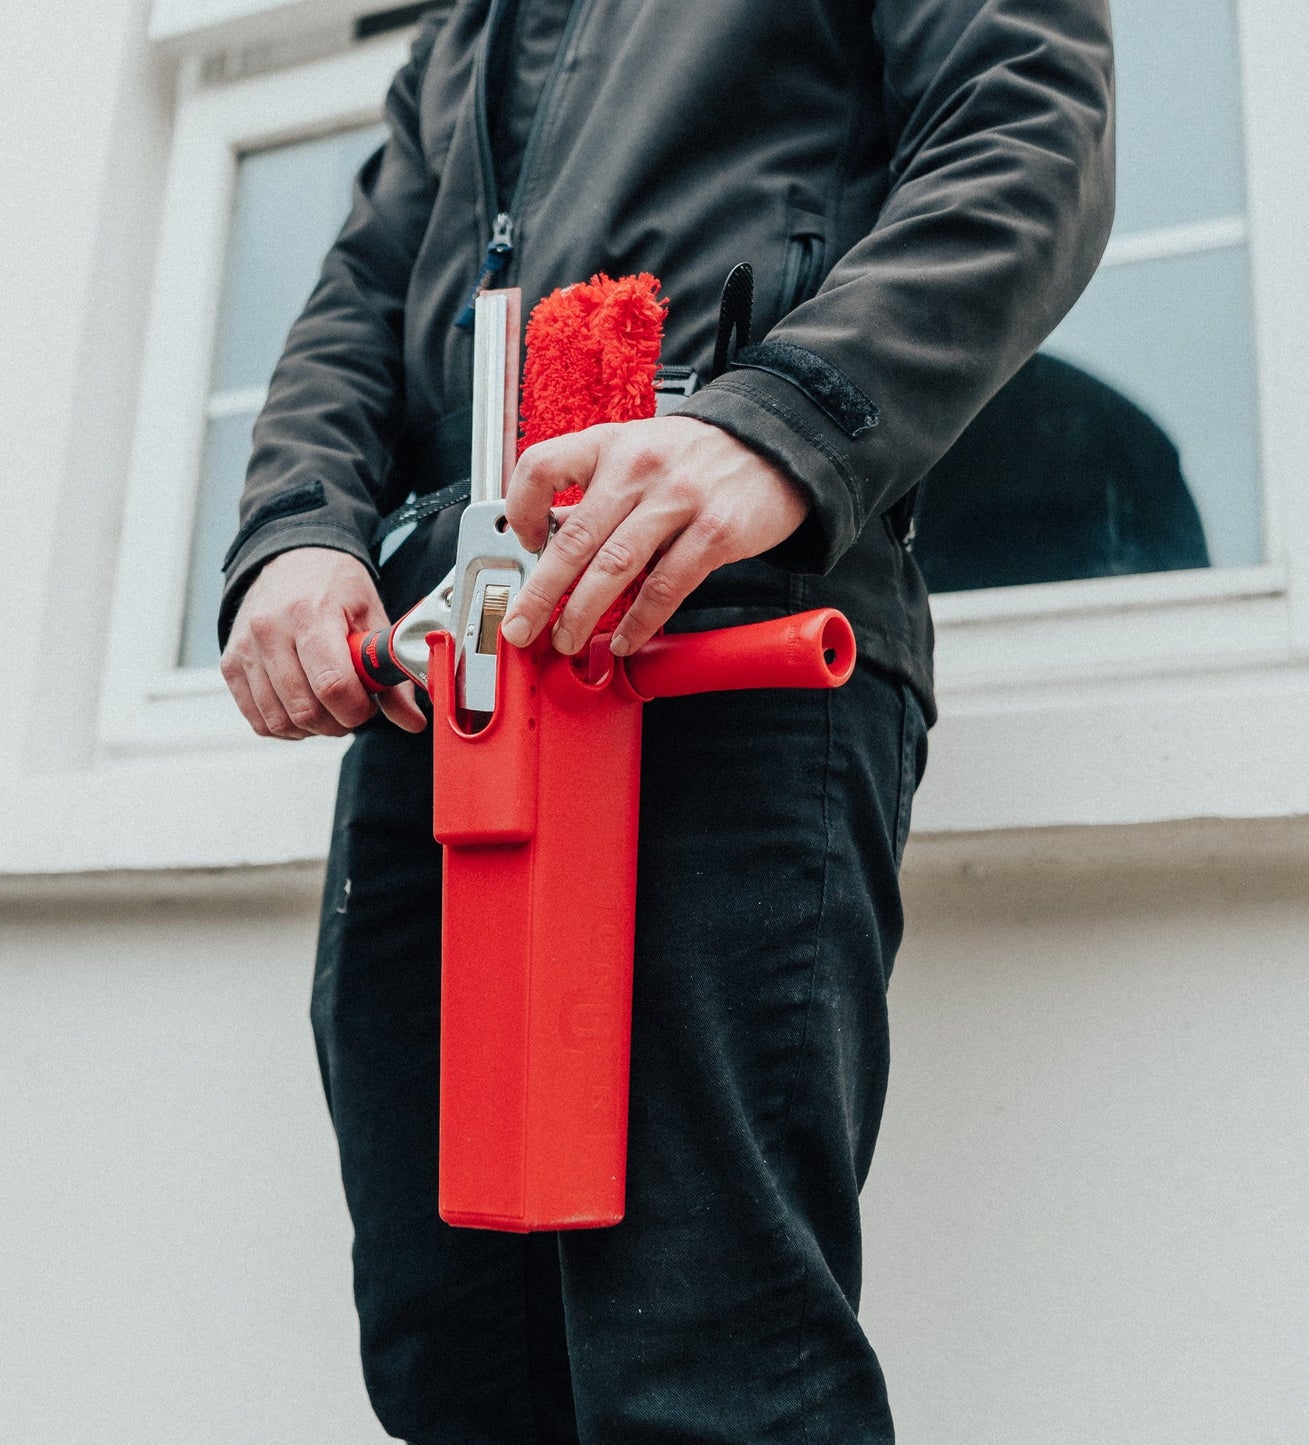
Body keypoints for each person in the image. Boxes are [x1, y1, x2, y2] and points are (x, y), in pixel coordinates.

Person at [217, 2, 1114, 1439]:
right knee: (451, 1351)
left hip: (721, 639)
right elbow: (357, 296)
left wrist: (777, 424)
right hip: (451, 684)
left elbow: (1026, 129)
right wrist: (296, 533)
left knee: (711, 1367)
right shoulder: (462, 37)